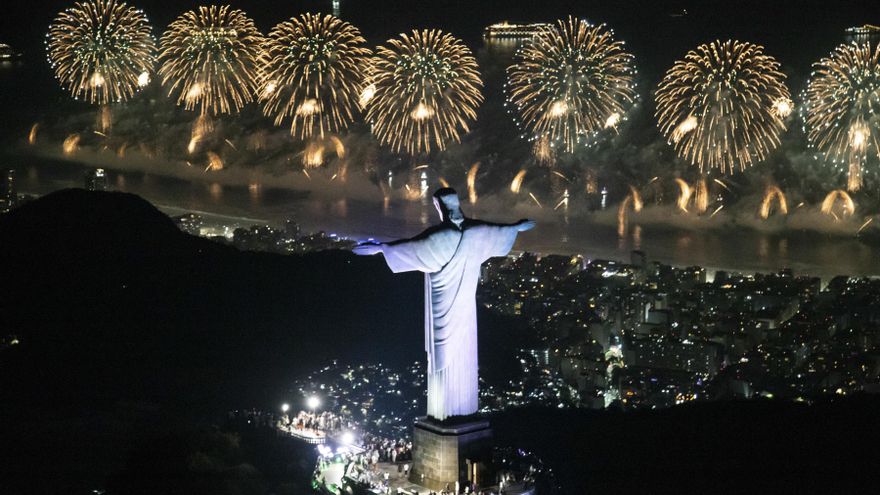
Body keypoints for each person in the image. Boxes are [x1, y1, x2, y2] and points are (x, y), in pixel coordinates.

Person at [353, 188, 535, 421]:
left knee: (443, 353)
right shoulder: (477, 231)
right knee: (459, 351)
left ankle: (447, 414)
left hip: (444, 304)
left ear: (439, 207)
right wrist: (516, 227)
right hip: (466, 307)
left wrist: (380, 248)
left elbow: (411, 248)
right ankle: (458, 411)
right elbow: (499, 231)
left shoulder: (441, 237)